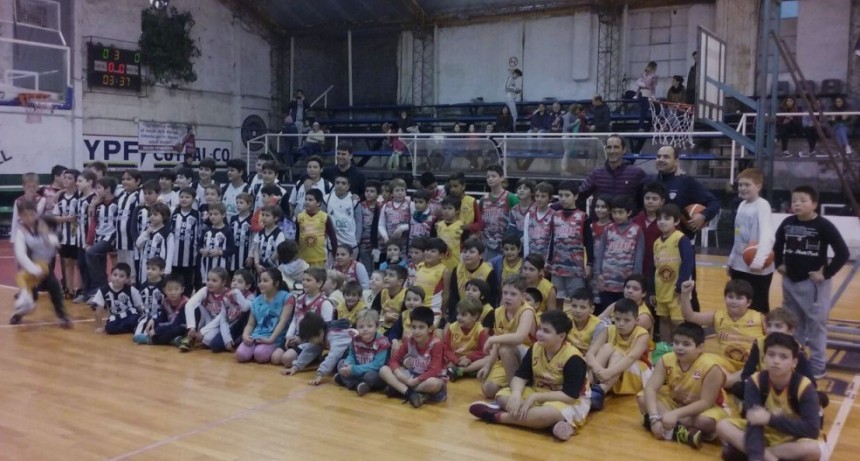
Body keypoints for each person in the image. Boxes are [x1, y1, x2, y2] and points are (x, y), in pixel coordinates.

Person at [468, 309, 590, 441]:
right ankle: (546, 424)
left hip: (568, 401)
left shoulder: (574, 358)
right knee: (503, 395)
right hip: (538, 392)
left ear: (561, 336)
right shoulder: (536, 347)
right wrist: (516, 394)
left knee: (546, 414)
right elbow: (520, 377)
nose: (540, 334)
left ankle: (499, 417)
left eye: (546, 331)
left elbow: (570, 396)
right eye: (540, 329)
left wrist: (535, 397)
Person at [774, 185, 849, 379]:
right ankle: (795, 360)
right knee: (792, 324)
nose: (797, 204)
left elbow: (843, 253)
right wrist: (779, 264)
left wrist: (827, 273)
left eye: (802, 200)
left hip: (813, 285)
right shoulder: (787, 223)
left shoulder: (824, 225)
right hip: (790, 282)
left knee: (816, 325)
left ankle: (817, 366)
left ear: (814, 204)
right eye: (794, 200)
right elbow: (778, 243)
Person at [715, 333, 824, 461]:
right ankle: (767, 456)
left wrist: (770, 419)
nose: (776, 361)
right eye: (771, 355)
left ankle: (750, 453)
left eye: (783, 357)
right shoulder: (755, 381)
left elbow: (811, 430)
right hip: (764, 434)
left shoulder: (804, 386)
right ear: (764, 358)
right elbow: (754, 423)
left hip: (792, 436)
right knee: (722, 426)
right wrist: (758, 457)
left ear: (794, 362)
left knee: (812, 450)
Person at [639, 322, 728, 449]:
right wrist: (653, 418)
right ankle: (680, 431)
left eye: (686, 344)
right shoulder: (666, 359)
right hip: (676, 403)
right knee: (642, 398)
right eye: (676, 342)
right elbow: (650, 388)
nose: (679, 347)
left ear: (700, 347)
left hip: (704, 410)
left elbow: (706, 403)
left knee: (710, 422)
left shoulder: (711, 367)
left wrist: (675, 415)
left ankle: (668, 425)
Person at [653, 144, 720, 311]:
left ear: (676, 160)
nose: (661, 159)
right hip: (656, 244)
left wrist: (702, 216)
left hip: (680, 246)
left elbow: (714, 202)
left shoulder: (686, 182)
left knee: (687, 287)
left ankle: (691, 327)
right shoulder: (650, 182)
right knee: (658, 285)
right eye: (659, 156)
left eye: (666, 157)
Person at [680, 279, 765, 388]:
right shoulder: (718, 316)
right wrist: (685, 294)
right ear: (725, 298)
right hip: (724, 364)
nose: (734, 301)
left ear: (748, 302)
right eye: (730, 297)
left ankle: (727, 383)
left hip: (750, 366)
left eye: (739, 298)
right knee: (704, 363)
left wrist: (748, 340)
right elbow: (690, 316)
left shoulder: (760, 318)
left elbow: (774, 340)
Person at [585, 299, 652, 411]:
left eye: (627, 320)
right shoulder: (609, 329)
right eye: (617, 319)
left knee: (618, 354)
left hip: (638, 373)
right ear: (613, 317)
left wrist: (608, 372)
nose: (621, 323)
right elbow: (590, 354)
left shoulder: (642, 334)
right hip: (608, 374)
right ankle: (587, 387)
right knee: (607, 348)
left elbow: (631, 358)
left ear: (636, 320)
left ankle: (600, 391)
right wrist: (599, 370)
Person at [478, 275, 537, 399]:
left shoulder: (527, 311)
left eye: (513, 294)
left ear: (523, 297)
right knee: (488, 390)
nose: (507, 297)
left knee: (505, 348)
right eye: (505, 293)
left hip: (531, 357)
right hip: (509, 358)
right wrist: (488, 365)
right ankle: (520, 386)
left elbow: (519, 338)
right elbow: (497, 342)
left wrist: (492, 339)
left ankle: (515, 393)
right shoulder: (499, 311)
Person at [10, 208, 70, 327]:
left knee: (55, 289)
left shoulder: (54, 237)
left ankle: (62, 316)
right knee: (32, 296)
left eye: (43, 224)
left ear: (50, 227)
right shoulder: (32, 235)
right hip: (32, 269)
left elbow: (55, 243)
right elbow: (25, 249)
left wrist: (50, 239)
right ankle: (18, 315)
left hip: (45, 269)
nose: (39, 225)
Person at [727, 168, 775, 313]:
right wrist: (731, 262)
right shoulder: (742, 205)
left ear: (759, 186)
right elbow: (738, 238)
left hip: (756, 267)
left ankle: (760, 336)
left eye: (747, 185)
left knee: (757, 307)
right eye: (740, 185)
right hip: (740, 265)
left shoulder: (762, 205)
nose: (742, 188)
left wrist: (759, 261)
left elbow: (768, 236)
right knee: (740, 306)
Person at [379, 306, 447, 408]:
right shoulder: (409, 340)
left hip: (427, 379)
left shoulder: (436, 344)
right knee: (383, 370)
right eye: (413, 327)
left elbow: (434, 370)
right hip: (412, 376)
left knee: (434, 383)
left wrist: (414, 381)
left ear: (430, 329)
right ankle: (411, 394)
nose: (416, 331)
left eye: (421, 327)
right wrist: (398, 374)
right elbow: (393, 360)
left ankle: (400, 389)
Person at [593, 195, 644, 313]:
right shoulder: (608, 229)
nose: (617, 216)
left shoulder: (636, 230)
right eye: (614, 212)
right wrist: (598, 273)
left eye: (620, 212)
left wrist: (636, 279)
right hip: (607, 281)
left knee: (623, 312)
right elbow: (600, 252)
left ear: (629, 212)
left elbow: (639, 256)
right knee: (607, 312)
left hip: (626, 282)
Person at [547, 180, 593, 308]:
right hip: (557, 266)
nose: (563, 198)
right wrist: (549, 261)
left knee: (577, 298)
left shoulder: (583, 217)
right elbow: (552, 240)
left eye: (567, 195)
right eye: (561, 195)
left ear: (576, 196)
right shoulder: (555, 216)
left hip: (575, 267)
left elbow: (589, 242)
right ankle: (557, 322)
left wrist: (589, 264)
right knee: (557, 297)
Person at [653, 204, 695, 343]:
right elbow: (656, 268)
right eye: (659, 219)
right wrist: (652, 290)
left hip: (676, 291)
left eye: (667, 218)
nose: (662, 221)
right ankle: (665, 348)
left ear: (676, 221)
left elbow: (688, 263)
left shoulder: (681, 239)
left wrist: (680, 285)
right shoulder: (657, 243)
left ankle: (682, 346)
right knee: (664, 319)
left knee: (678, 322)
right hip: (661, 289)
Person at [576, 134, 646, 216]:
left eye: (616, 147)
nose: (612, 151)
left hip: (627, 226)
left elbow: (647, 199)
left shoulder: (637, 173)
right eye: (609, 147)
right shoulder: (597, 173)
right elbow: (577, 196)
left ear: (624, 150)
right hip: (600, 225)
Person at [236, 268, 294, 364]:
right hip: (256, 336)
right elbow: (251, 324)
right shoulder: (256, 301)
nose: (261, 284)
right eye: (260, 281)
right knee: (241, 355)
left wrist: (270, 340)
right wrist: (245, 335)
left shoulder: (287, 298)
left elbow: (283, 321)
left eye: (265, 281)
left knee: (260, 355)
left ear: (276, 283)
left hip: (275, 338)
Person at [335, 308, 391, 395]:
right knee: (341, 363)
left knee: (370, 376)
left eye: (369, 326)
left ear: (376, 327)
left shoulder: (382, 342)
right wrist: (348, 364)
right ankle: (359, 385)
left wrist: (353, 370)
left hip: (374, 372)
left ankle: (350, 382)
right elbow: (351, 355)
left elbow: (377, 365)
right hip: (358, 369)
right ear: (356, 327)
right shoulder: (355, 339)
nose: (365, 329)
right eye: (361, 327)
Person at [446, 237, 498, 324]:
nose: (467, 255)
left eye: (471, 252)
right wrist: (453, 316)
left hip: (480, 314)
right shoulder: (457, 269)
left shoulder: (489, 272)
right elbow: (454, 295)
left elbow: (492, 298)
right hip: (460, 311)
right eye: (465, 251)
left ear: (481, 255)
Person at [85, 177, 119, 299]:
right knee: (97, 259)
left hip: (111, 237)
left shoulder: (118, 203)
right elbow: (94, 223)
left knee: (91, 253)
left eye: (99, 188)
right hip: (99, 236)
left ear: (108, 189)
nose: (96, 190)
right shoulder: (98, 205)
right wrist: (89, 240)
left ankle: (100, 286)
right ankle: (103, 291)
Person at [92, 263, 143, 335]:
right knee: (109, 327)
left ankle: (134, 327)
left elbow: (140, 307)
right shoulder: (103, 290)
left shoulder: (131, 290)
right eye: (115, 275)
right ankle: (131, 329)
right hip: (116, 318)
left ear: (127, 279)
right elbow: (99, 310)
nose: (117, 278)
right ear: (110, 276)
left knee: (135, 320)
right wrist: (99, 326)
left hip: (130, 316)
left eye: (121, 276)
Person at [53, 168, 80, 299]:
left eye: (70, 178)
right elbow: (55, 217)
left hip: (78, 237)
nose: (66, 180)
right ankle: (69, 289)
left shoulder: (80, 196)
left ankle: (80, 289)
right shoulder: (60, 197)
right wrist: (67, 219)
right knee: (67, 263)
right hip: (64, 237)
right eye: (65, 178)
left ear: (76, 181)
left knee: (79, 264)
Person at [481, 165, 518, 261]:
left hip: (505, 246)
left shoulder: (510, 197)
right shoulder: (483, 199)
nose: (490, 179)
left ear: (502, 178)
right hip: (487, 245)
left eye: (493, 176)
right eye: (488, 177)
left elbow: (519, 220)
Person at [295, 190, 338, 268]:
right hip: (302, 259)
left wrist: (336, 255)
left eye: (310, 200)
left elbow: (333, 238)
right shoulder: (300, 217)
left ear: (318, 203)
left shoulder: (325, 217)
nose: (307, 202)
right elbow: (296, 238)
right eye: (306, 199)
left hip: (320, 259)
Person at [171, 188, 201, 293]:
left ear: (193, 200)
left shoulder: (197, 214)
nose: (184, 199)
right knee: (173, 282)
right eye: (182, 197)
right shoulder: (173, 212)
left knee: (187, 284)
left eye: (187, 197)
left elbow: (199, 234)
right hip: (173, 256)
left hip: (190, 257)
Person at [322, 174, 362, 253]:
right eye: (337, 183)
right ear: (334, 184)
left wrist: (357, 239)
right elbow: (321, 219)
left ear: (348, 186)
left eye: (343, 183)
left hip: (350, 241)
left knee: (350, 265)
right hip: (332, 241)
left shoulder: (354, 200)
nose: (340, 185)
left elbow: (359, 221)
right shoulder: (326, 199)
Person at [522, 182, 554, 260]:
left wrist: (549, 261)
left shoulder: (554, 215)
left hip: (547, 259)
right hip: (531, 258)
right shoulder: (529, 215)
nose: (539, 199)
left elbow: (553, 241)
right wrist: (526, 257)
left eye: (543, 196)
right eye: (537, 196)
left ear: (550, 198)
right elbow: (526, 239)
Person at [434, 197, 465, 271]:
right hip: (440, 264)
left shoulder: (462, 226)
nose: (446, 211)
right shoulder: (438, 226)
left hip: (456, 264)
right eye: (444, 208)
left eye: (450, 208)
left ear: (457, 210)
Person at [357, 179, 382, 271]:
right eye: (367, 191)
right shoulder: (359, 205)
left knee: (378, 269)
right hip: (363, 243)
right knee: (366, 269)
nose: (368, 193)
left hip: (378, 243)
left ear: (378, 194)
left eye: (372, 191)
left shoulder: (382, 206)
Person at [229, 192, 254, 272]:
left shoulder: (252, 220)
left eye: (241, 203)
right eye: (237, 203)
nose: (238, 205)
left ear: (249, 204)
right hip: (233, 254)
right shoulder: (233, 219)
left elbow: (254, 240)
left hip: (246, 254)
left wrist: (251, 255)